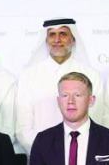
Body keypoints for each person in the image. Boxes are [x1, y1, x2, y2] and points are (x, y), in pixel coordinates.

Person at [15, 19, 102, 152]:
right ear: (46, 40)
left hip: (82, 155)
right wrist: (45, 152)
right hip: (41, 157)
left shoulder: (91, 75)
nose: (57, 40)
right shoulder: (29, 76)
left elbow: (96, 118)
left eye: (63, 34)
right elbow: (24, 127)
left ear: (73, 40)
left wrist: (75, 151)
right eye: (52, 35)